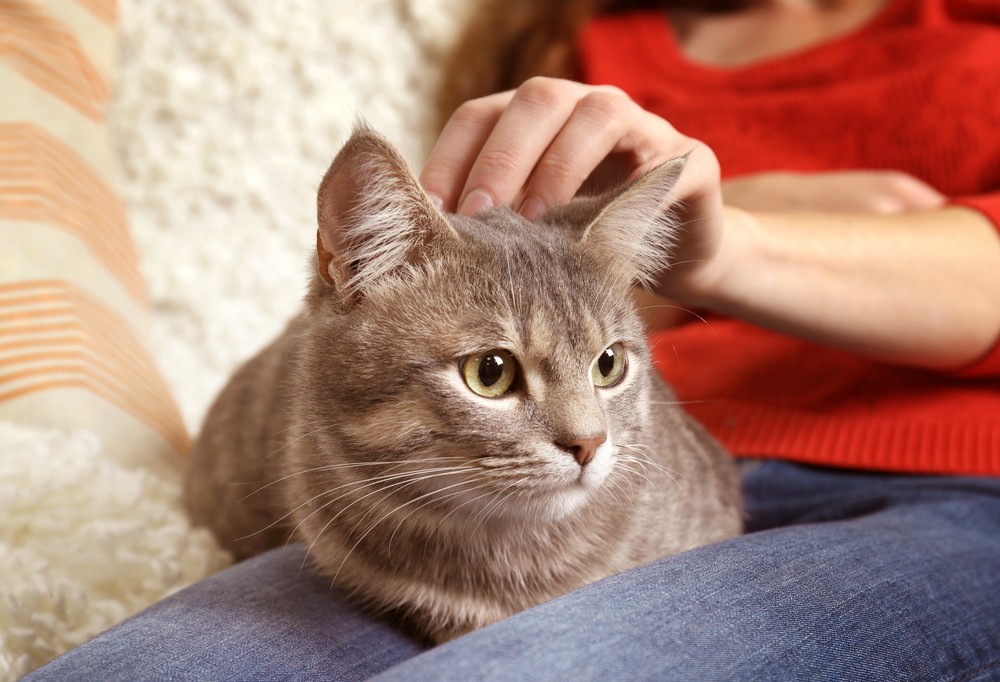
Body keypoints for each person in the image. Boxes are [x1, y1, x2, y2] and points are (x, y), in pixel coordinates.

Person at [27, 0, 1000, 679]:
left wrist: (737, 238)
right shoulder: (574, 49)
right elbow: (515, 299)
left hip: (941, 487)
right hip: (500, 489)